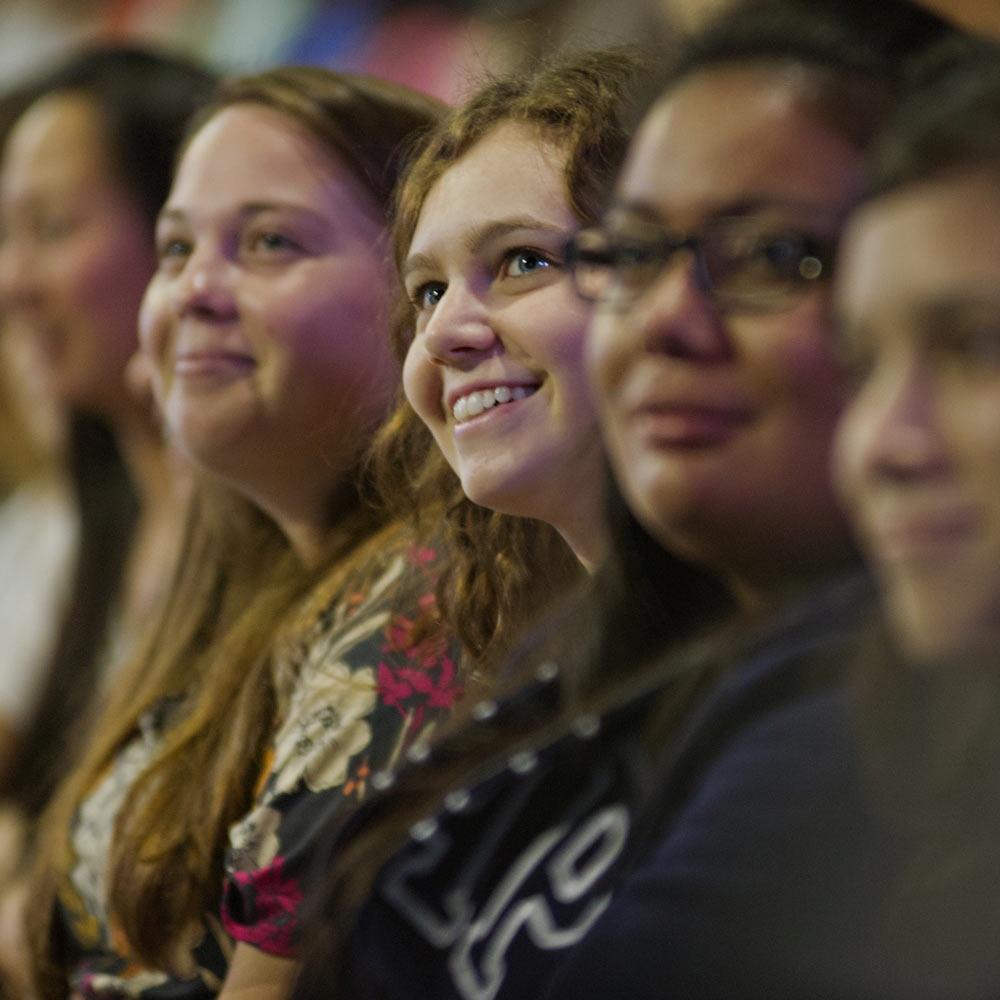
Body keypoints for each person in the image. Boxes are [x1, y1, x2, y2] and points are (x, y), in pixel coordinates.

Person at [290, 4, 952, 999]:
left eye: (775, 257)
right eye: (636, 256)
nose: (668, 321)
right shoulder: (574, 655)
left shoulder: (855, 718)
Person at [23, 67, 449, 1000]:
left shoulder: (428, 600)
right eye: (175, 249)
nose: (195, 291)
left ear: (422, 293)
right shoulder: (247, 578)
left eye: (268, 242)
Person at [0, 45, 216, 823]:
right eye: (5, 236)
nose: (12, 283)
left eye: (51, 229)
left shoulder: (274, 528)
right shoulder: (84, 525)